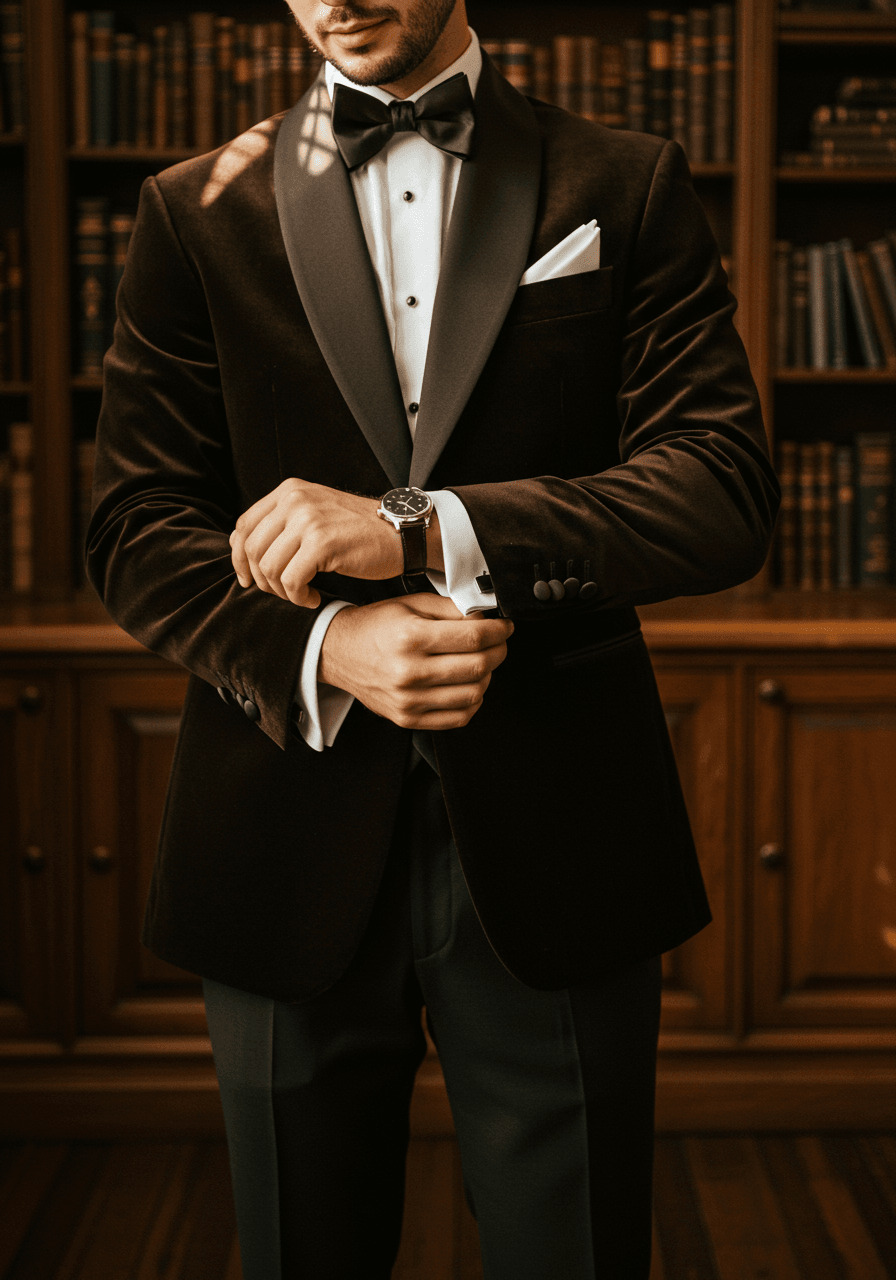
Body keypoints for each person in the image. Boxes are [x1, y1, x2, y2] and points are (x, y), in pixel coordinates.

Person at [87, 1, 779, 1276]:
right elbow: (132, 525)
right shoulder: (193, 207)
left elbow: (720, 490)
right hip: (274, 828)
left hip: (560, 834)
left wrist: (421, 527)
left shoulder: (622, 185)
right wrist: (321, 652)